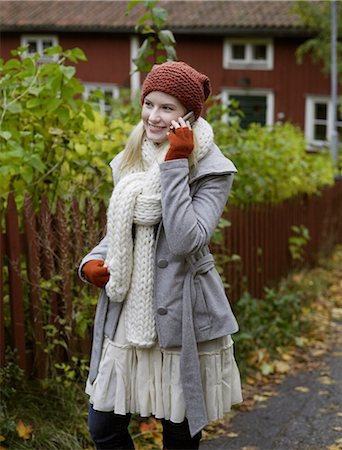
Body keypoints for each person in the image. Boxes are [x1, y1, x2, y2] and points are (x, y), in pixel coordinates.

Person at [79, 61, 242, 450]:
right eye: (149, 103)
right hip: (128, 307)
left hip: (181, 312)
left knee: (179, 432)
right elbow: (120, 232)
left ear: (187, 114)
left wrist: (175, 165)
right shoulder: (130, 159)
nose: (153, 116)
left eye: (166, 108)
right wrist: (89, 264)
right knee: (103, 426)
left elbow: (188, 240)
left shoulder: (212, 170)